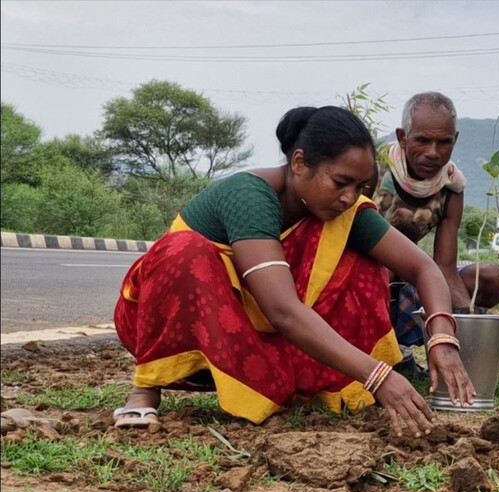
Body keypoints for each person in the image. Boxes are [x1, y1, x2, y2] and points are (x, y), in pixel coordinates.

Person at [112, 106, 476, 436]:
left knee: (364, 265)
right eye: (340, 182)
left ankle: (313, 386)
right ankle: (145, 388)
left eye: (360, 187)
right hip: (184, 320)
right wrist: (378, 375)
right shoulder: (249, 196)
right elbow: (282, 310)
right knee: (184, 251)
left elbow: (423, 267)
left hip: (261, 329)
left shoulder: (342, 210)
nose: (350, 197)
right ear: (299, 163)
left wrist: (442, 338)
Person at [371, 92, 499, 374]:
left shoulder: (450, 188)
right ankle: (385, 348)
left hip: (409, 280)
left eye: (444, 142)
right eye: (422, 141)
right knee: (385, 269)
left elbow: (445, 268)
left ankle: (471, 333)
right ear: (403, 137)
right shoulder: (373, 171)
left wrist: (471, 323)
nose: (433, 153)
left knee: (491, 277)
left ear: (456, 140)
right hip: (365, 281)